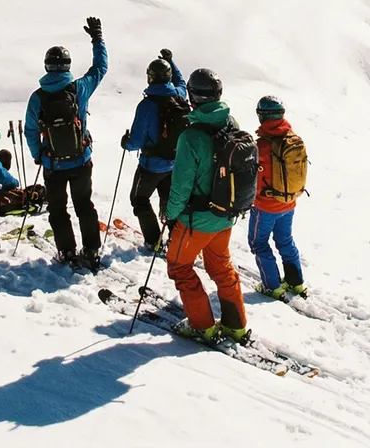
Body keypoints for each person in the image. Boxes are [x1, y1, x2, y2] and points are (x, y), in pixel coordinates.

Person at [163, 68, 249, 343]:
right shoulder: (230, 123)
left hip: (195, 221)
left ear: (192, 97)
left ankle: (202, 326)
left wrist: (170, 214)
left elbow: (181, 186)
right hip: (225, 216)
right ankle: (236, 325)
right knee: (221, 267)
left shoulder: (191, 137)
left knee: (180, 267)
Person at [24, 16, 108, 270]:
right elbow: (100, 68)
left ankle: (67, 251)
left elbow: (30, 130)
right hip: (81, 159)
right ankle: (91, 249)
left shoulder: (37, 98)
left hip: (53, 163)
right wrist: (97, 39)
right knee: (84, 205)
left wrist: (38, 154)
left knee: (58, 209)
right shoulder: (79, 89)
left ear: (47, 67)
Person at [119, 48, 188, 250]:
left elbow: (137, 140)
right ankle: (176, 240)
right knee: (169, 201)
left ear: (150, 78)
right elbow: (181, 83)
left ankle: (153, 240)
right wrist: (171, 61)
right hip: (175, 163)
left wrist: (126, 143)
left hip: (151, 166)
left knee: (139, 199)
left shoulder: (147, 105)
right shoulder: (179, 97)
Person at [248, 95, 308, 298]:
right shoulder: (292, 139)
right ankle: (295, 282)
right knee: (285, 240)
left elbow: (255, 181)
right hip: (289, 202)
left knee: (258, 243)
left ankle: (272, 286)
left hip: (265, 206)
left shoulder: (262, 147)